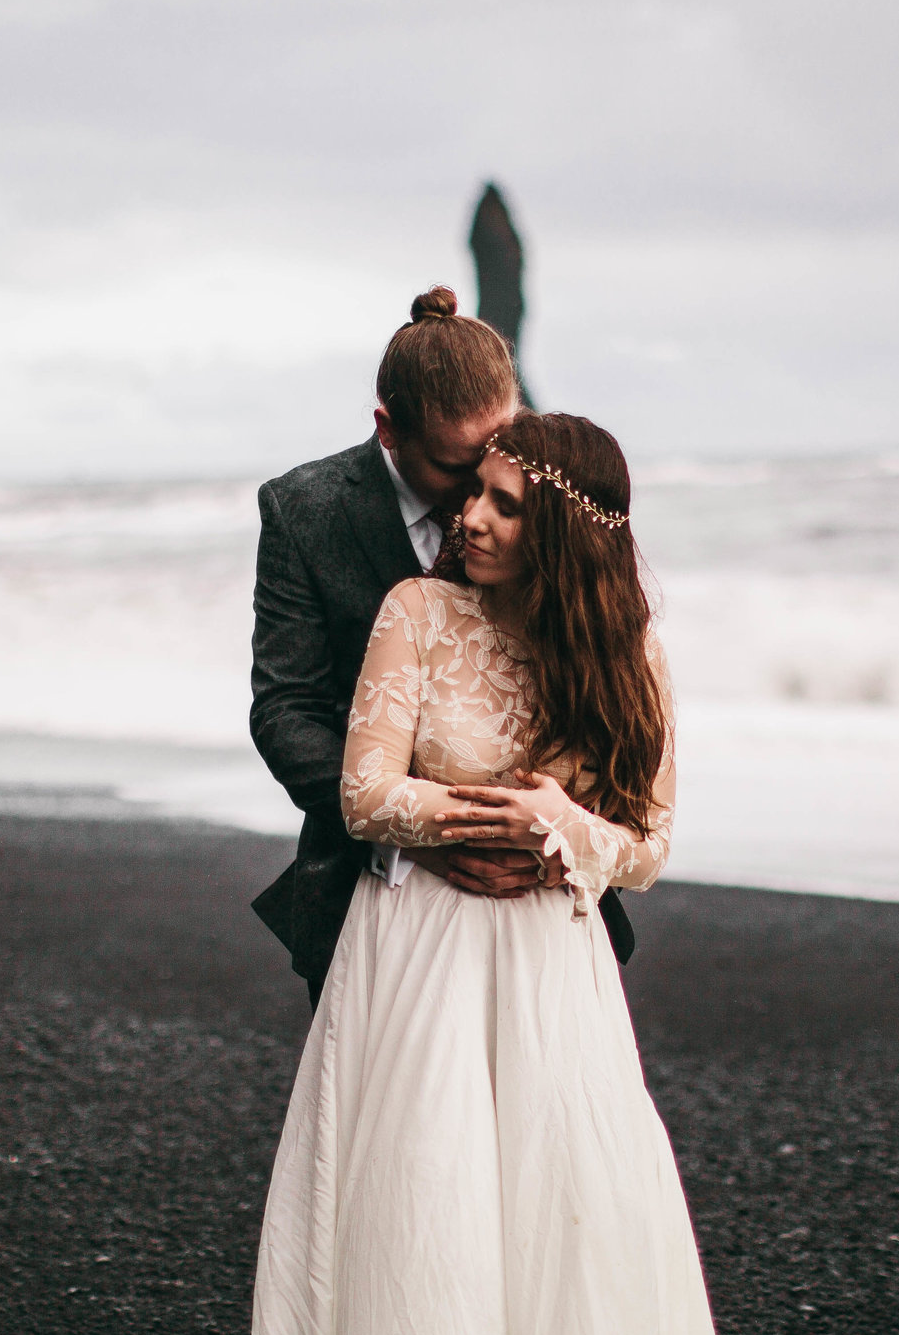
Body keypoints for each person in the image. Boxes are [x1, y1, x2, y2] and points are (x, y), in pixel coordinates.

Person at [248, 409, 735, 1335]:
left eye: (502, 505)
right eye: (472, 493)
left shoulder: (625, 653)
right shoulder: (417, 611)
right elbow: (364, 792)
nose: (467, 517)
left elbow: (646, 847)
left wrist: (563, 823)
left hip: (555, 963)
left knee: (573, 1212)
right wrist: (470, 817)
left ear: (561, 534)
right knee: (426, 1201)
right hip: (419, 941)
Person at [248, 287, 633, 1007]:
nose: (477, 498)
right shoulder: (304, 511)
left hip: (540, 898)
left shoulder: (539, 503)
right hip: (371, 884)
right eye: (458, 468)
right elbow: (285, 709)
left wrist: (560, 833)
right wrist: (414, 828)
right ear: (388, 429)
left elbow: (598, 680)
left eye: (501, 448)